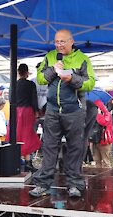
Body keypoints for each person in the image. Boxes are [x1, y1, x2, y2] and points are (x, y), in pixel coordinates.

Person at [30, 29, 95, 198]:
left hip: (74, 110)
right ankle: (43, 184)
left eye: (62, 42)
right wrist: (53, 70)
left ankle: (74, 184)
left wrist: (72, 79)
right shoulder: (50, 56)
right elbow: (41, 78)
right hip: (52, 110)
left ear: (71, 41)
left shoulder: (82, 59)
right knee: (49, 147)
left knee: (75, 147)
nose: (58, 45)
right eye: (56, 42)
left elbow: (90, 83)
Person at [9, 63, 41, 172]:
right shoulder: (30, 84)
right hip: (27, 111)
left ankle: (15, 161)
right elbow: (34, 99)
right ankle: (28, 162)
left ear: (18, 72)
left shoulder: (13, 84)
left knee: (16, 135)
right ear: (27, 72)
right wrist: (36, 111)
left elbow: (10, 98)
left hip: (15, 111)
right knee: (27, 135)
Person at [92, 100, 113, 168]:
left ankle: (107, 177)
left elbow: (104, 122)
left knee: (106, 161)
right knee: (97, 161)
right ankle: (98, 177)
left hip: (104, 141)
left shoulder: (107, 114)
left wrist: (98, 114)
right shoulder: (91, 115)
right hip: (95, 140)